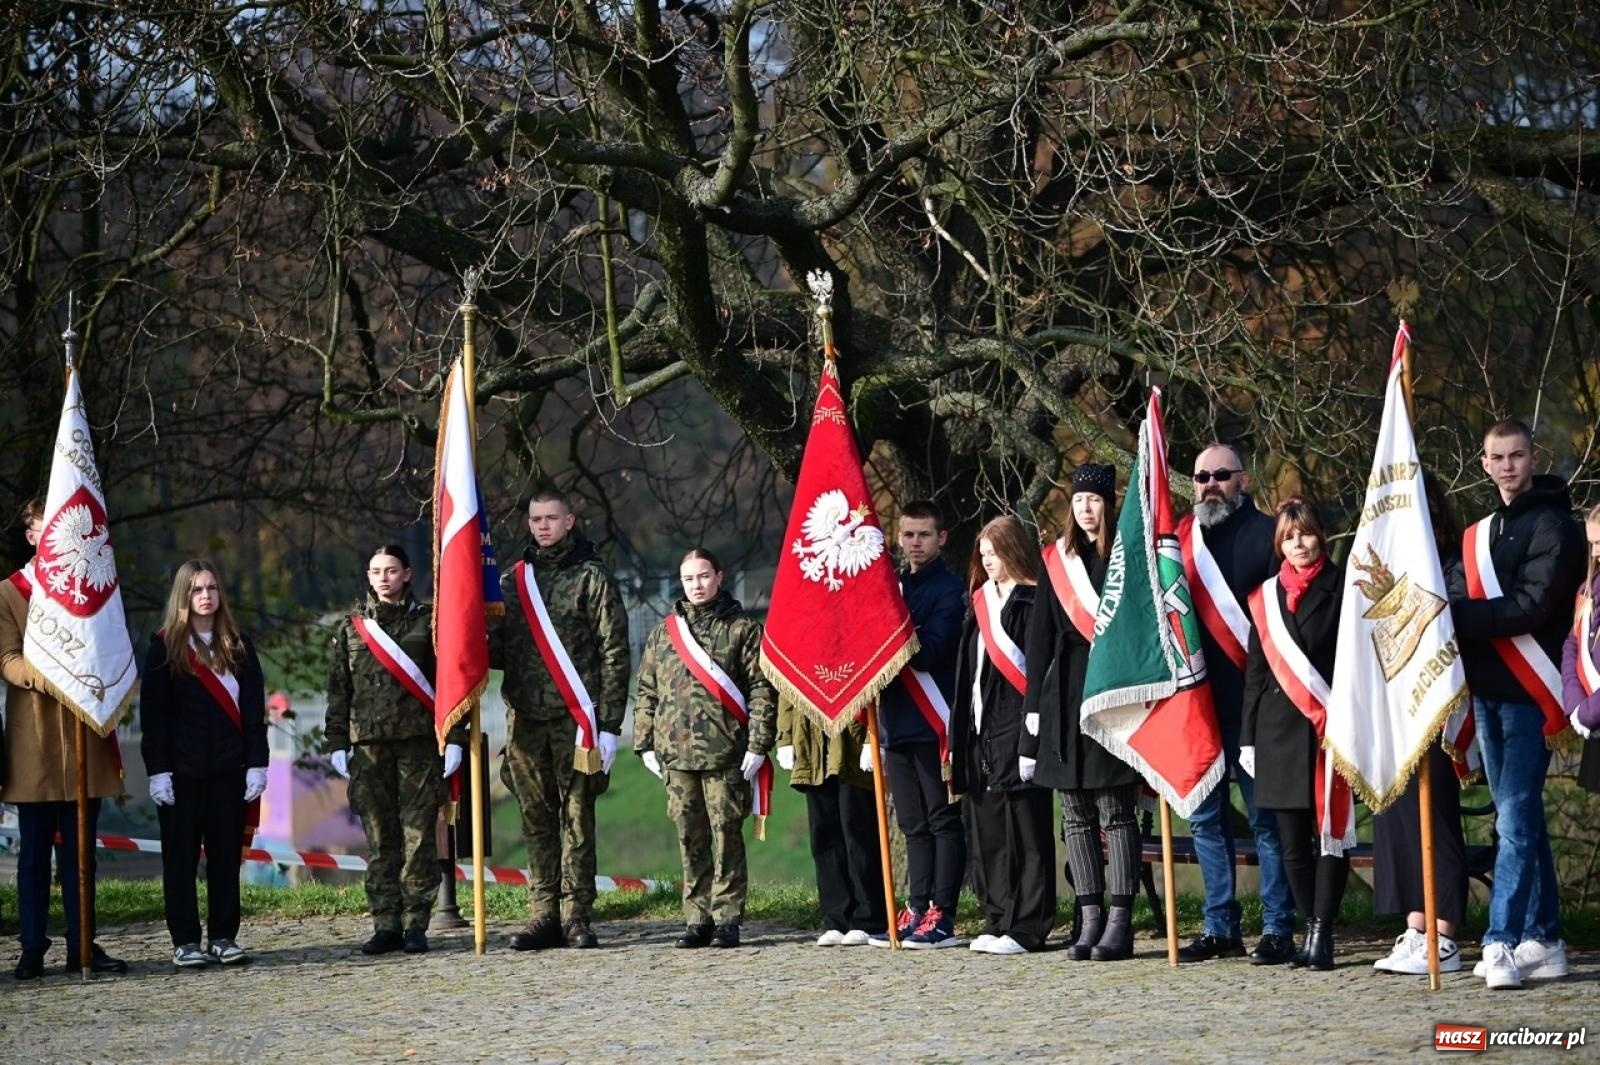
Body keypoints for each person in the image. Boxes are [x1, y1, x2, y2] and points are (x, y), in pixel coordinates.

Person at [1449, 419, 1585, 990]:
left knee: (1515, 821)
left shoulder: (1555, 524)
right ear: (1483, 463)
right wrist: (1451, 608)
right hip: (1487, 691)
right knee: (1521, 819)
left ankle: (1500, 940)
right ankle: (1546, 937)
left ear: (1534, 457)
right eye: (1496, 457)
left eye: (1517, 456)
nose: (1507, 466)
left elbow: (1531, 607)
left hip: (1531, 693)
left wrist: (1453, 617)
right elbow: (1456, 585)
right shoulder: (1481, 531)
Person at [1174, 443, 1297, 964]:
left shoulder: (1267, 536)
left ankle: (1277, 927)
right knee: (1205, 821)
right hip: (1196, 707)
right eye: (1202, 475)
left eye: (1221, 475)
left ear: (1242, 480)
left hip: (1255, 706)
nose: (1210, 484)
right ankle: (1220, 926)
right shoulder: (1178, 542)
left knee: (1266, 819)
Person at [493, 489, 630, 950]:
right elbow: (497, 650)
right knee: (535, 818)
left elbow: (614, 653)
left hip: (577, 721)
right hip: (527, 721)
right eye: (535, 519)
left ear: (570, 521)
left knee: (576, 818)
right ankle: (543, 913)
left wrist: (609, 724)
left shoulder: (592, 578)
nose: (542, 526)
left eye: (551, 518)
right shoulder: (514, 582)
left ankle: (577, 915)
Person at [1, 498, 127, 979]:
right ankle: (32, 946)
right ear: (33, 536)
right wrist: (46, 675)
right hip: (34, 739)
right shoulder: (8, 592)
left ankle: (83, 945)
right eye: (42, 526)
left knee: (80, 857)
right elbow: (6, 657)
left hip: (83, 739)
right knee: (32, 857)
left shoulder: (88, 592)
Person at [1022, 463, 1142, 961]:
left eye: (1093, 500)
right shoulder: (1058, 561)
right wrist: (1034, 713)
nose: (1086, 509)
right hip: (1066, 697)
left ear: (1108, 504)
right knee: (1073, 813)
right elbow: (1040, 641)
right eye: (1078, 501)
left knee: (1115, 811)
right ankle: (1088, 916)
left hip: (1111, 694)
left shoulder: (1126, 558)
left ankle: (1120, 919)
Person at [634, 548, 776, 948]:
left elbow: (762, 690)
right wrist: (644, 742)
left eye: (703, 577)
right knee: (688, 836)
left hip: (726, 753)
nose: (696, 586)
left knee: (726, 833)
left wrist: (758, 743)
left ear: (719, 576)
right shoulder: (664, 633)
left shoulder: (744, 630)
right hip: (676, 757)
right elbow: (646, 690)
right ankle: (697, 918)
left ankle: (727, 917)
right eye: (688, 579)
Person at [325, 545, 460, 956]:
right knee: (381, 839)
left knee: (418, 838)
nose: (383, 577)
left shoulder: (430, 625)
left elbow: (451, 685)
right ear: (368, 577)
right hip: (369, 749)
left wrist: (453, 736)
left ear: (406, 574)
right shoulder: (351, 629)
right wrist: (336, 742)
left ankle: (417, 923)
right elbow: (338, 691)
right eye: (375, 571)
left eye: (391, 570)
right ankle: (386, 923)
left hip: (418, 747)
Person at [142, 560, 270, 967]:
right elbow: (154, 716)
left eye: (212, 588)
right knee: (179, 861)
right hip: (181, 775)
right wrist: (157, 770)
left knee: (225, 858)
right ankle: (185, 941)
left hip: (229, 772)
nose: (206, 596)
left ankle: (223, 936)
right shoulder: (163, 646)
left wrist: (257, 763)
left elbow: (253, 710)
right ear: (184, 595)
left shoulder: (238, 644)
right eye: (197, 589)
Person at [1239, 501, 1348, 970]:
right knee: (1290, 846)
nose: (1297, 544)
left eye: (1304, 534)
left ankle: (1322, 933)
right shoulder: (1265, 597)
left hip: (1331, 727)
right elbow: (1256, 675)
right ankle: (1309, 925)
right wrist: (1247, 739)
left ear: (1319, 536)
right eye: (1288, 537)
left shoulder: (1344, 586)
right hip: (1277, 732)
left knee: (1331, 837)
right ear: (1279, 544)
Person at [1371, 472, 1469, 975]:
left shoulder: (1452, 562)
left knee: (1436, 816)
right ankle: (1416, 925)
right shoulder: (1387, 562)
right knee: (1400, 816)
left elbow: (1446, 622)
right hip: (1395, 707)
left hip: (1437, 705)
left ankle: (1445, 931)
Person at [948, 515, 1052, 954]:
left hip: (1017, 728)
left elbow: (1036, 670)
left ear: (1014, 550)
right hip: (977, 731)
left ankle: (1027, 925)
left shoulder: (1032, 603)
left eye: (996, 553)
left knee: (1025, 831)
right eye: (984, 555)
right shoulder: (979, 603)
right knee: (987, 829)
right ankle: (997, 917)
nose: (989, 562)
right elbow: (966, 675)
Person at [869, 500, 968, 948]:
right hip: (896, 722)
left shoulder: (948, 589)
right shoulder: (890, 587)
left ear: (941, 538)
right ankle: (918, 903)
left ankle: (943, 914)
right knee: (911, 822)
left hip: (933, 722)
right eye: (907, 534)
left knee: (941, 819)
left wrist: (892, 624)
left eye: (923, 534)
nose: (914, 542)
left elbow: (930, 651)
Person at [775, 697, 885, 946]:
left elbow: (875, 681)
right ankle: (836, 917)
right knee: (823, 834)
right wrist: (785, 736)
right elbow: (787, 683)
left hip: (851, 739)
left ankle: (869, 918)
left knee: (857, 829)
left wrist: (872, 735)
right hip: (813, 741)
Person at [1563, 502, 1600, 793]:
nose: (1596, 553)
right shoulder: (1587, 591)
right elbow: (1572, 646)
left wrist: (1589, 712)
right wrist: (1575, 705)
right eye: (1592, 544)